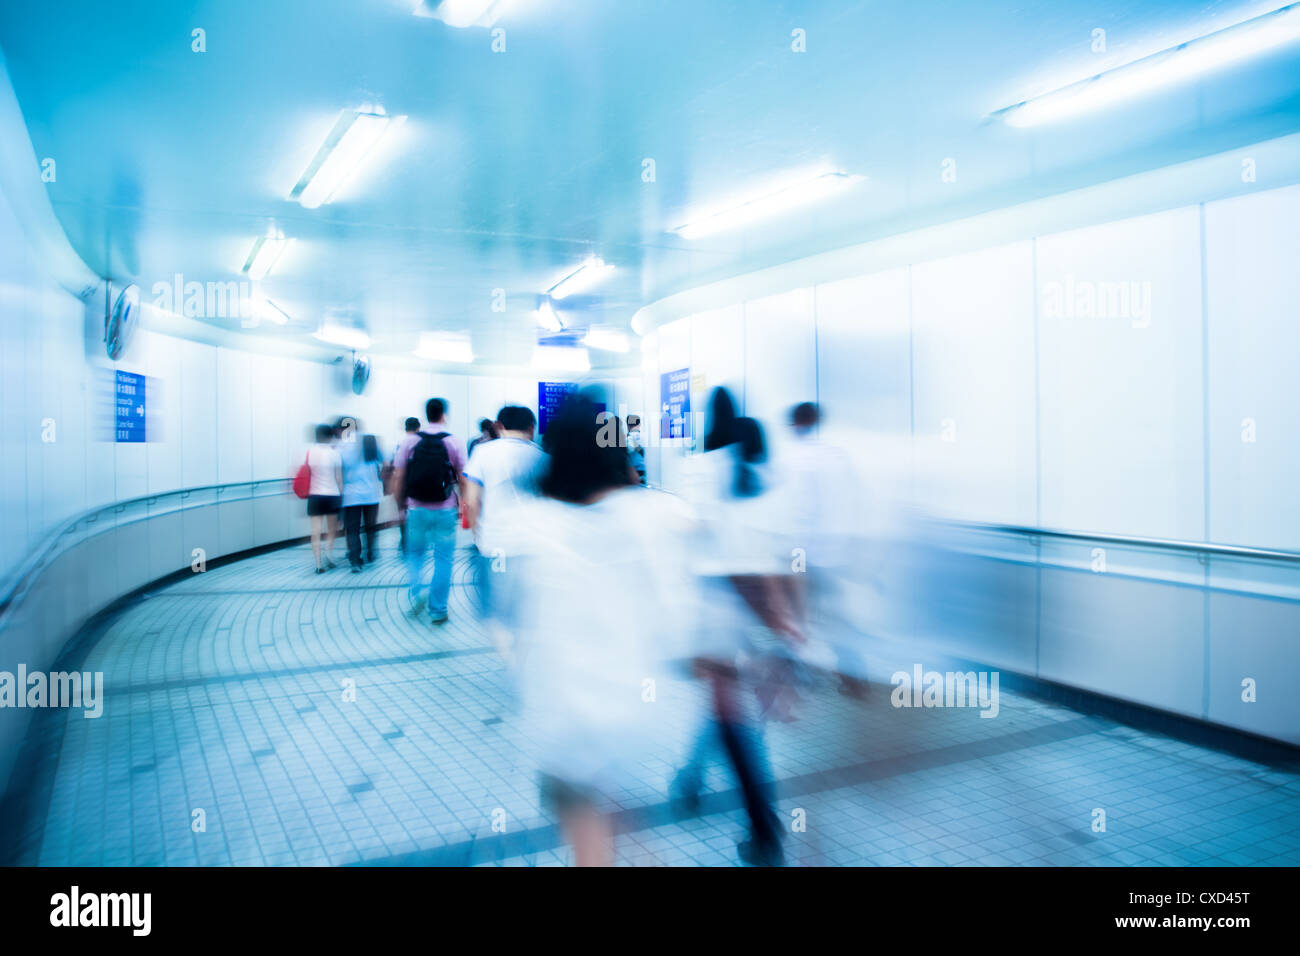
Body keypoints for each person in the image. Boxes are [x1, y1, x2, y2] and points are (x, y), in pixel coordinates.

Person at [512, 393, 698, 866]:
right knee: (605, 813)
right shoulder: (653, 514)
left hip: (568, 714)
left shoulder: (535, 524)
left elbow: (523, 622)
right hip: (635, 703)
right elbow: (678, 614)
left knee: (585, 821)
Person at [675, 386, 799, 867]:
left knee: (732, 717)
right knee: (729, 708)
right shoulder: (763, 477)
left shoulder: (703, 469)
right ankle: (691, 775)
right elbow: (779, 554)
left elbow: (694, 534)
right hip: (759, 604)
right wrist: (785, 616)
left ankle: (764, 829)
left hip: (716, 602)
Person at [785, 401, 869, 697]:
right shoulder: (838, 456)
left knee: (798, 615)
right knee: (837, 615)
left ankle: (802, 674)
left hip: (802, 554)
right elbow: (855, 500)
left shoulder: (794, 458)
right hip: (834, 551)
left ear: (795, 425)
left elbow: (797, 511)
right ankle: (853, 672)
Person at [462, 405, 546, 666]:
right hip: (534, 546)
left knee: (493, 611)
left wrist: (477, 535)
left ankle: (510, 656)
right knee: (528, 607)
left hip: (494, 545)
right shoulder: (542, 457)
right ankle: (524, 653)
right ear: (531, 427)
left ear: (499, 426)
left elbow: (471, 500)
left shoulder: (482, 452)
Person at [393, 398, 467, 625]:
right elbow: (463, 477)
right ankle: (438, 610)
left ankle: (417, 592)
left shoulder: (410, 441)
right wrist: (463, 505)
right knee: (443, 559)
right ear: (444, 415)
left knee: (415, 554)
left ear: (426, 415)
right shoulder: (454, 442)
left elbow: (398, 477)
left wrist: (400, 506)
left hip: (416, 508)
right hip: (445, 509)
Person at [340, 427, 384, 572]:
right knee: (371, 526)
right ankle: (371, 553)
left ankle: (355, 560)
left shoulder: (345, 446)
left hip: (351, 496)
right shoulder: (370, 441)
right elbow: (384, 462)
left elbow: (339, 467)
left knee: (353, 529)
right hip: (371, 494)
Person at [306, 423, 343, 573]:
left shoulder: (309, 452)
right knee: (332, 529)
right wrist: (341, 497)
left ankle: (318, 563)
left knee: (315, 530)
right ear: (330, 437)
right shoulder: (334, 453)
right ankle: (328, 552)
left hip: (314, 495)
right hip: (332, 494)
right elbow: (339, 479)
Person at [392, 417, 420, 554]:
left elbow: (396, 469)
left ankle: (404, 541)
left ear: (405, 428)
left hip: (402, 483)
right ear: (418, 428)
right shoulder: (420, 442)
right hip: (417, 483)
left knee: (402, 513)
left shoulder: (400, 444)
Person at [626, 413, 646, 485]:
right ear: (639, 424)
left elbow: (629, 451)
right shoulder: (644, 436)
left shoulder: (629, 438)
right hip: (643, 469)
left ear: (628, 425)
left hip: (633, 471)